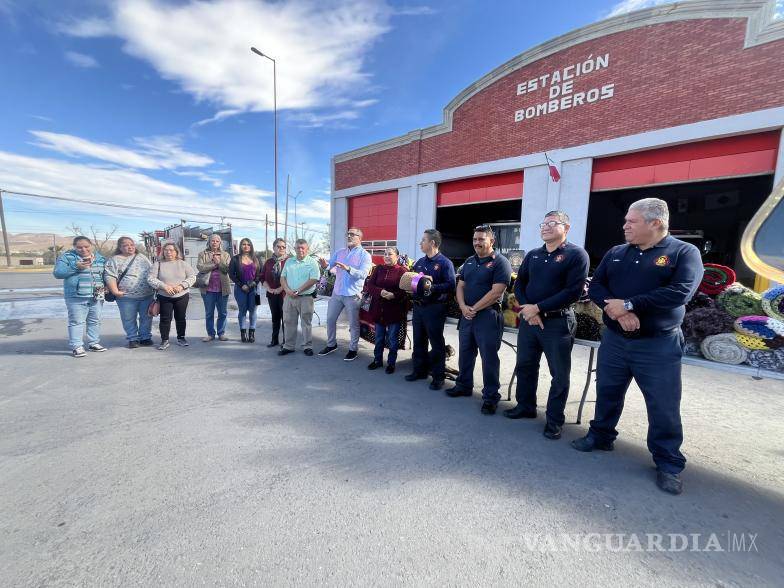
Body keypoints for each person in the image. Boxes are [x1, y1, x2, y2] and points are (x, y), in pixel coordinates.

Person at [571, 198, 704, 496]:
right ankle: (601, 435)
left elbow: (680, 292)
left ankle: (668, 462)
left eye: (632, 221)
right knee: (607, 390)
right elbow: (597, 286)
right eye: (626, 221)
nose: (625, 226)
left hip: (657, 344)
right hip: (616, 340)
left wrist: (631, 305)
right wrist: (619, 311)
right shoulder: (617, 253)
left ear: (655, 223)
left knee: (663, 404)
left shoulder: (683, 252)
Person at [505, 211, 589, 440]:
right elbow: (519, 284)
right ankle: (526, 406)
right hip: (530, 321)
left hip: (558, 322)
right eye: (544, 223)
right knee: (525, 365)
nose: (546, 227)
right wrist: (528, 310)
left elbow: (573, 292)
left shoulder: (576, 255)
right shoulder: (533, 255)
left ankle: (554, 420)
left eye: (553, 223)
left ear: (567, 228)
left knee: (559, 374)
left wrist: (538, 308)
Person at [446, 225, 512, 415]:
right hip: (467, 315)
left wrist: (473, 308)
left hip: (488, 316)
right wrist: (463, 307)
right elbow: (460, 286)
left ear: (491, 241)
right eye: (475, 239)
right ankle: (464, 385)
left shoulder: (501, 262)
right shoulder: (468, 262)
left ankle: (490, 397)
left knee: (489, 358)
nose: (477, 243)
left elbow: (497, 291)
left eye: (481, 239)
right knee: (466, 353)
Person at [404, 229, 455, 388]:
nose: (421, 243)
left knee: (436, 342)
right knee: (419, 341)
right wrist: (409, 285)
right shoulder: (420, 262)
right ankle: (419, 371)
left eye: (423, 240)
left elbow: (451, 285)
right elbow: (414, 282)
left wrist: (432, 287)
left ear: (432, 243)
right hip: (419, 307)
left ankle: (438, 377)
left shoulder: (445, 263)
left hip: (435, 308)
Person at [318, 227, 373, 361]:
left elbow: (363, 274)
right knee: (330, 319)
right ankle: (331, 344)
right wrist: (325, 265)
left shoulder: (365, 255)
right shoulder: (340, 252)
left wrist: (348, 269)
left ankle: (353, 349)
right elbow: (330, 267)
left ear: (360, 238)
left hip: (352, 295)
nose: (349, 236)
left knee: (353, 324)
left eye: (352, 234)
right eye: (348, 234)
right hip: (337, 293)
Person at [53, 236, 108, 357]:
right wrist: (76, 267)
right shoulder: (67, 257)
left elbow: (104, 274)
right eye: (79, 247)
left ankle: (94, 343)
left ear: (91, 246)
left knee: (95, 320)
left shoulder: (100, 258)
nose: (83, 249)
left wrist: (107, 286)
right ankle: (77, 346)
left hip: (96, 295)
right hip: (76, 296)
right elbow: (58, 273)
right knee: (77, 321)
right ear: (74, 247)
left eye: (86, 246)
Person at [363, 247, 409, 374]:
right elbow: (370, 286)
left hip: (394, 311)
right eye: (385, 254)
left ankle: (391, 363)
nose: (387, 256)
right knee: (379, 337)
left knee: (392, 339)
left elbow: (405, 292)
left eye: (390, 254)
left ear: (397, 257)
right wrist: (381, 292)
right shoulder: (378, 269)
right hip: (379, 309)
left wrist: (394, 295)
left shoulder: (403, 271)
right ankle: (377, 360)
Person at [104, 236, 154, 349]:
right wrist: (115, 291)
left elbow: (152, 272)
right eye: (126, 245)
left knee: (146, 317)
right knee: (128, 318)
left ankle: (145, 337)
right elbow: (110, 276)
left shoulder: (142, 257)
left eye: (131, 244)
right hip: (126, 297)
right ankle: (133, 338)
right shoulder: (114, 260)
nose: (130, 247)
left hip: (146, 295)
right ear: (120, 247)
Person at [148, 242, 196, 350]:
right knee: (165, 319)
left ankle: (181, 338)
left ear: (176, 252)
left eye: (171, 250)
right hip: (164, 296)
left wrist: (182, 286)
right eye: (166, 250)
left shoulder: (183, 263)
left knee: (180, 318)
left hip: (182, 295)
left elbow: (192, 277)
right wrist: (163, 286)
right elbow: (150, 279)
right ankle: (164, 340)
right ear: (163, 252)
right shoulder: (158, 264)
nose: (168, 252)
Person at [278, 239, 321, 356]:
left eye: (302, 248)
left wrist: (299, 290)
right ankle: (289, 346)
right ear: (295, 249)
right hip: (289, 297)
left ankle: (307, 346)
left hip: (305, 297)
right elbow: (282, 277)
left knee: (306, 323)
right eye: (298, 248)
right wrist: (287, 290)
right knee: (288, 322)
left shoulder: (312, 262)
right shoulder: (289, 261)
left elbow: (314, 279)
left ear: (307, 249)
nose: (300, 250)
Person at [197, 234, 231, 342]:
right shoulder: (202, 254)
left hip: (222, 289)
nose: (215, 243)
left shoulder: (225, 255)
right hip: (208, 289)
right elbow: (200, 267)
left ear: (220, 243)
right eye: (213, 241)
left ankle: (221, 333)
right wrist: (213, 264)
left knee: (222, 313)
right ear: (209, 242)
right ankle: (211, 334)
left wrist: (219, 262)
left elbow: (227, 269)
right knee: (209, 313)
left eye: (217, 241)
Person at [229, 238, 260, 343]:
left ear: (251, 246)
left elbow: (260, 274)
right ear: (240, 246)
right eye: (243, 244)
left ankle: (252, 333)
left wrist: (253, 283)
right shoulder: (235, 259)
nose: (246, 246)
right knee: (242, 310)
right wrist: (242, 285)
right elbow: (231, 274)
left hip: (255, 289)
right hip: (240, 288)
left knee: (253, 310)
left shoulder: (256, 259)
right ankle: (243, 333)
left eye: (248, 244)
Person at [260, 238, 289, 348]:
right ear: (274, 248)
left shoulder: (289, 261)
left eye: (283, 247)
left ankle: (286, 342)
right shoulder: (268, 262)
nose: (281, 248)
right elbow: (262, 277)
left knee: (285, 318)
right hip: (271, 294)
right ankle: (274, 339)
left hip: (284, 294)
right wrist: (268, 288)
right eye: (279, 246)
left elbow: (291, 278)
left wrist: (280, 288)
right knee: (275, 317)